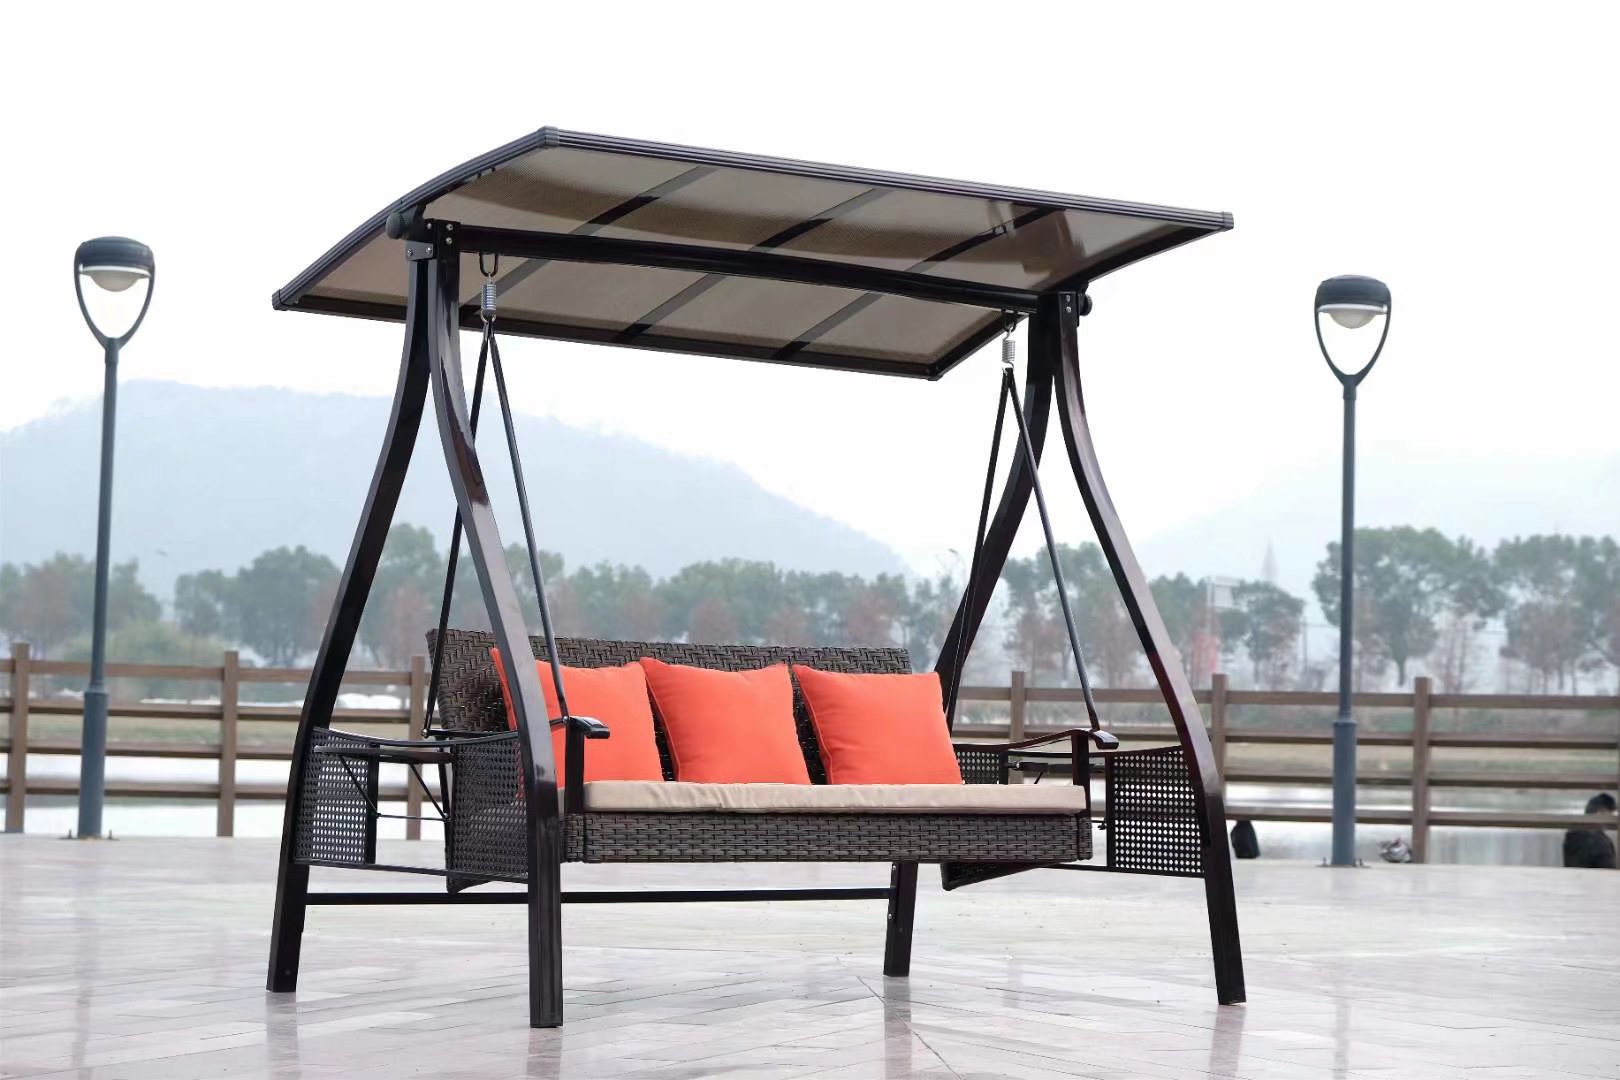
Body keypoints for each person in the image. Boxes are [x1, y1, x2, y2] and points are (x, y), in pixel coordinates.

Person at [1562, 793, 1617, 869]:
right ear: (1601, 812)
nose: (1611, 820)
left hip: (1574, 876)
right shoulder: (1600, 841)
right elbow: (1609, 868)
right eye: (1611, 814)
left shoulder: (1571, 835)